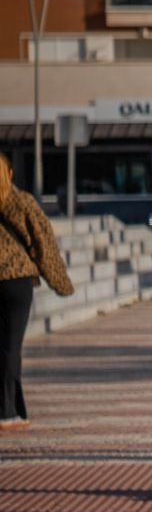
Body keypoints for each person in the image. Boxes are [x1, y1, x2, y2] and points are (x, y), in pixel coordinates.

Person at [0, 154, 75, 430]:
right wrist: (61, 283)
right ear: (9, 173)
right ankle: (8, 412)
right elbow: (44, 243)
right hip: (16, 281)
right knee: (10, 346)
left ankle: (10, 410)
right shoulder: (22, 202)